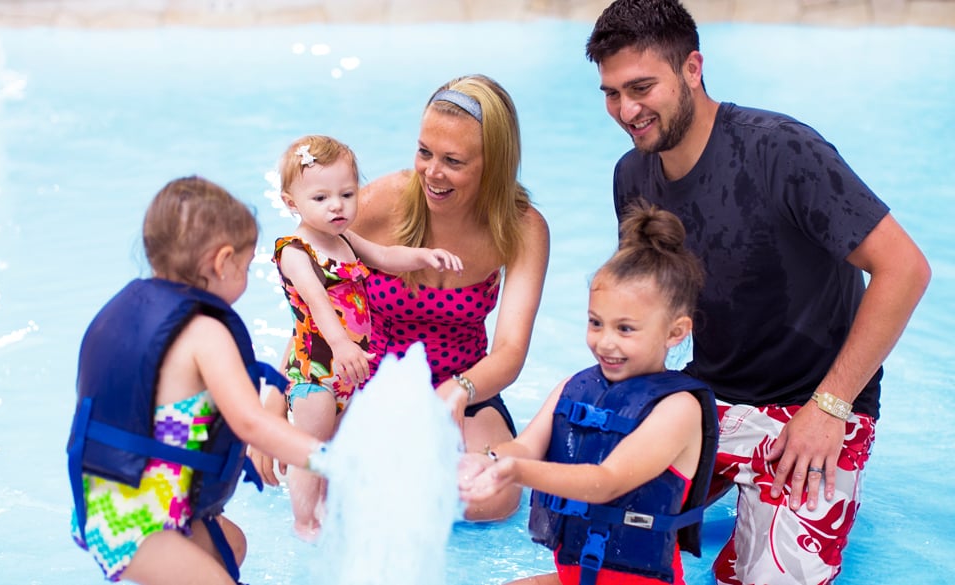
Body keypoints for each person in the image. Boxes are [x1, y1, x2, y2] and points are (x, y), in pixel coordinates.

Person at [584, 1, 931, 583]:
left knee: (765, 579)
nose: (627, 110)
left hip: (815, 406)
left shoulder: (782, 151)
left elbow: (906, 269)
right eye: (612, 93)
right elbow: (648, 307)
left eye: (642, 87)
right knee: (596, 524)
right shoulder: (631, 176)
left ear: (692, 68)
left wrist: (829, 407)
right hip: (706, 399)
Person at [67, 176, 331, 585]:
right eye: (243, 267)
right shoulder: (206, 333)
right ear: (223, 261)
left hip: (111, 501)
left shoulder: (125, 314)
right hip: (138, 523)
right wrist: (335, 461)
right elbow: (252, 424)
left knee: (232, 548)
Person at [460, 200, 718, 585]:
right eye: (596, 323)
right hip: (577, 577)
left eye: (625, 329)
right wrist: (488, 459)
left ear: (676, 332)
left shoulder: (677, 409)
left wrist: (516, 472)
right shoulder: (575, 388)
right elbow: (526, 448)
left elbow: (606, 482)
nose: (605, 342)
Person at [352, 73, 551, 521]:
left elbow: (511, 350)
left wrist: (459, 390)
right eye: (425, 152)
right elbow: (310, 285)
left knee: (492, 495)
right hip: (372, 383)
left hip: (465, 386)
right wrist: (285, 392)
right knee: (357, 488)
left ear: (493, 165)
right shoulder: (384, 201)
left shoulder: (522, 228)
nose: (432, 173)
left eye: (454, 161)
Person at [271, 134, 463, 540]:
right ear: (292, 204)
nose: (337, 205)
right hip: (317, 370)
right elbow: (318, 302)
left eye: (346, 193)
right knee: (310, 448)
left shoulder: (344, 240)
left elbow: (387, 256)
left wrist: (425, 256)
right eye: (320, 198)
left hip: (350, 368)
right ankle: (304, 520)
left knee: (336, 445)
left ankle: (325, 506)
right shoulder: (295, 250)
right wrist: (341, 345)